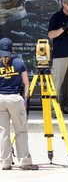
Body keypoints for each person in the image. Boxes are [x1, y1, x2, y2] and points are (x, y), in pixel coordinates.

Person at [0, 37, 38, 170]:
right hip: (15, 99)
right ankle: (24, 161)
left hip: (0, 99)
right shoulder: (19, 63)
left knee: (3, 132)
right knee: (21, 130)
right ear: (12, 49)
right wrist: (25, 98)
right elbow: (26, 83)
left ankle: (5, 162)